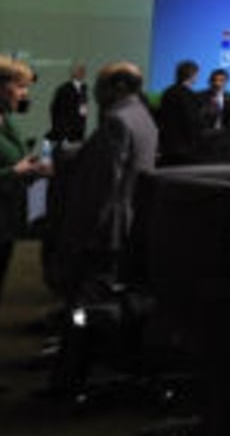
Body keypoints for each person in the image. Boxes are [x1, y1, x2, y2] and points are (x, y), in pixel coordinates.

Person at [0, 57, 51, 405]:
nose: (23, 93)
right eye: (19, 86)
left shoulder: (2, 121)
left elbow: (12, 163)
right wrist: (14, 174)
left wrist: (28, 169)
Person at [48, 62, 158, 304]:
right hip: (129, 221)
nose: (95, 93)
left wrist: (80, 237)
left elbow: (102, 185)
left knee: (89, 297)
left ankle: (77, 338)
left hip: (106, 228)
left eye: (98, 86)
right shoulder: (142, 115)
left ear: (118, 86)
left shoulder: (117, 121)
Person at [154, 60, 204, 166]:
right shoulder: (190, 96)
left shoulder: (167, 92)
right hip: (186, 148)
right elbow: (192, 122)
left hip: (167, 145)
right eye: (197, 75)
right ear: (192, 75)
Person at [48, 63, 89, 145]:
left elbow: (83, 108)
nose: (80, 73)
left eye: (81, 71)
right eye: (77, 71)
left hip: (79, 129)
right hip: (65, 131)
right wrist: (59, 129)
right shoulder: (63, 89)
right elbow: (55, 109)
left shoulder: (84, 88)